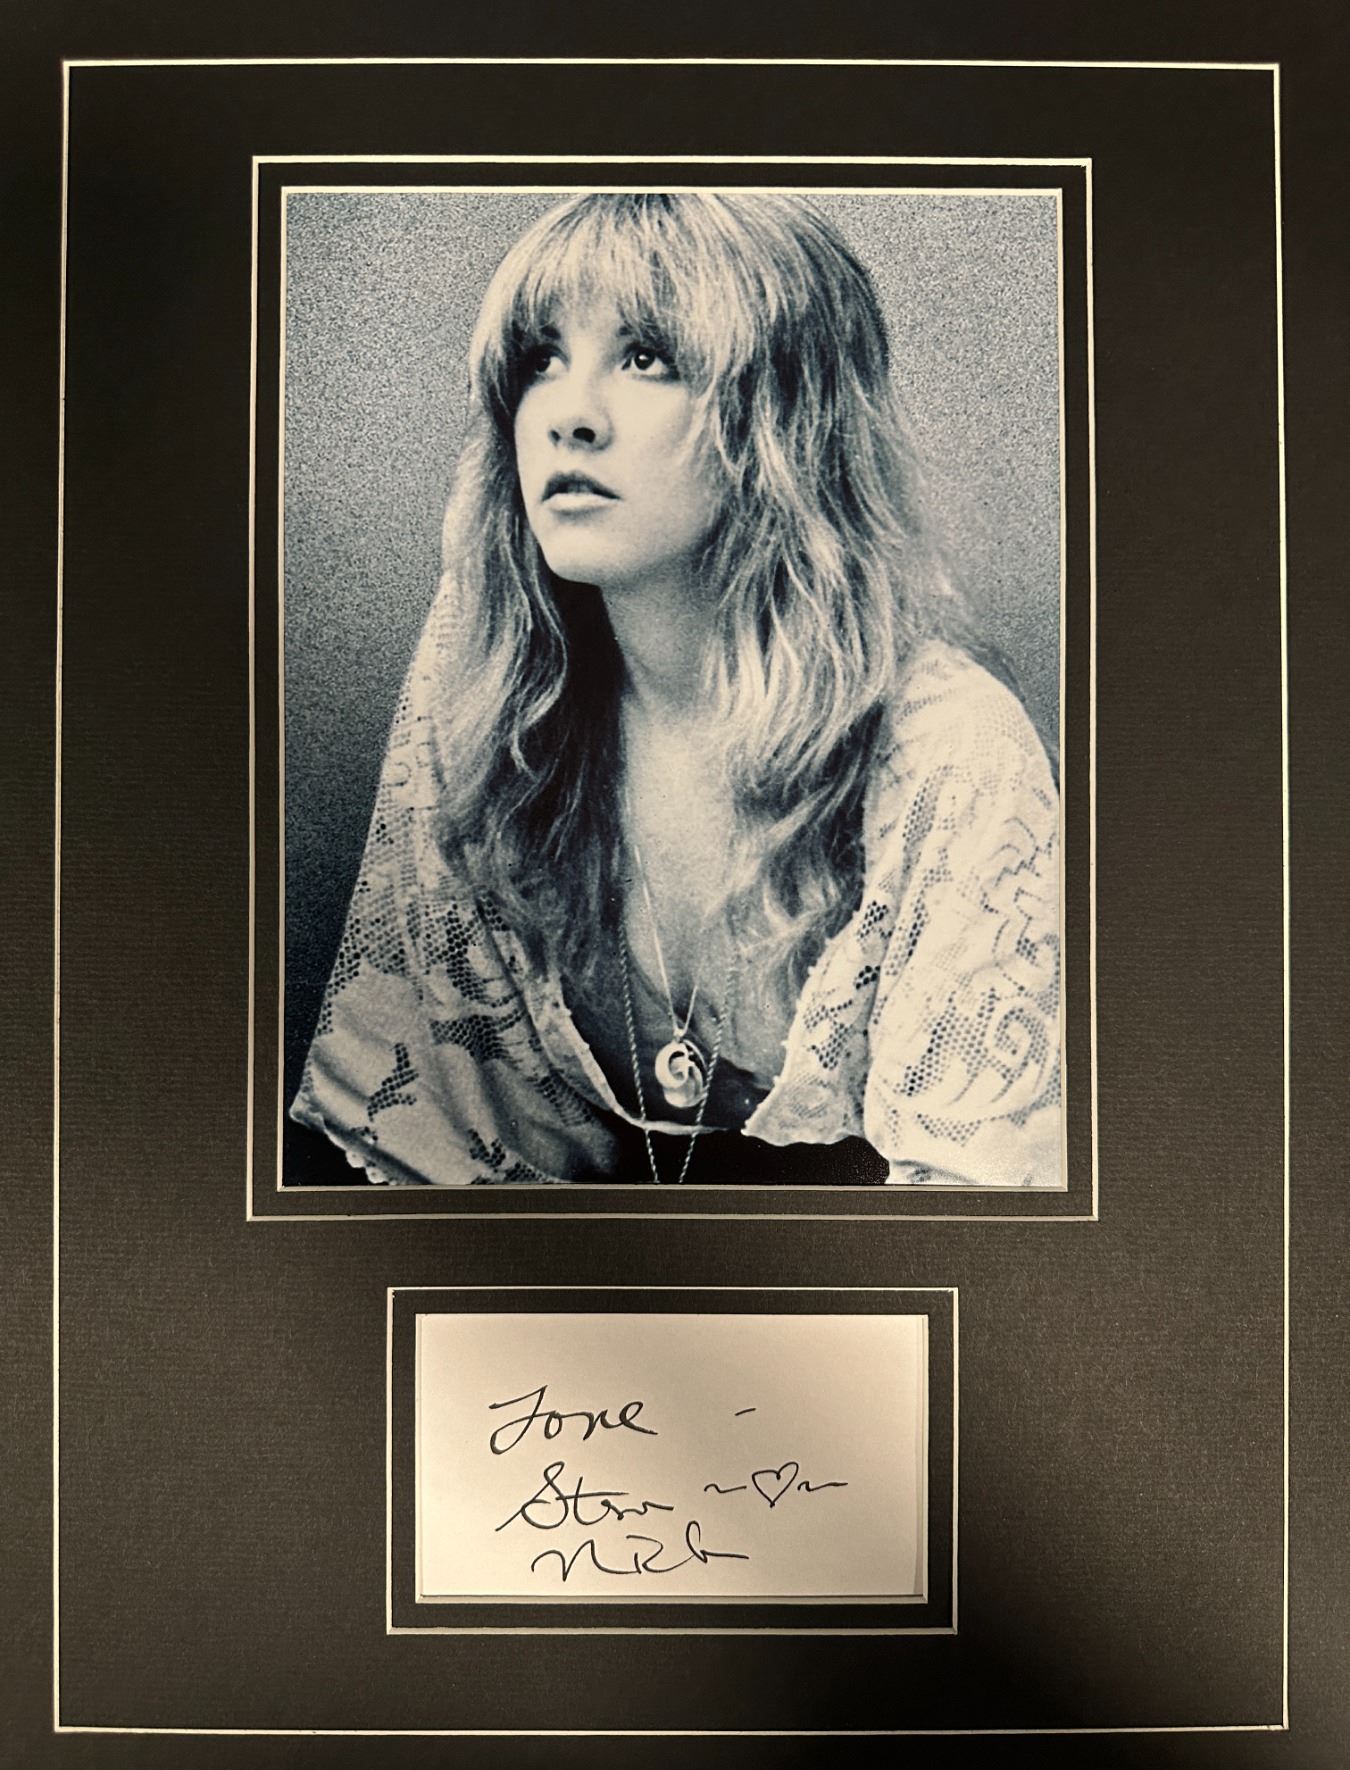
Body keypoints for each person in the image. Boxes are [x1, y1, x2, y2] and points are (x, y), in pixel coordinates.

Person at [289, 191, 1061, 1188]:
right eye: (541, 359)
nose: (568, 415)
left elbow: (984, 1231)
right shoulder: (490, 688)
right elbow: (440, 1147)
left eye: (647, 356)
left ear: (785, 414)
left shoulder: (948, 747)